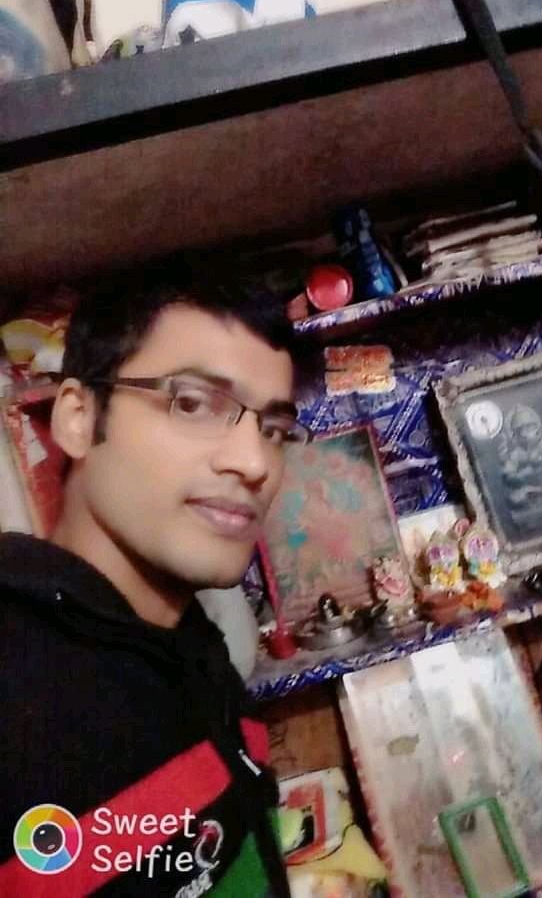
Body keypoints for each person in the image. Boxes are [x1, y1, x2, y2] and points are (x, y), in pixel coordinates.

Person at [0, 255, 312, 897]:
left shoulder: (200, 650)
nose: (255, 462)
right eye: (193, 403)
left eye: (275, 429)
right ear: (78, 418)